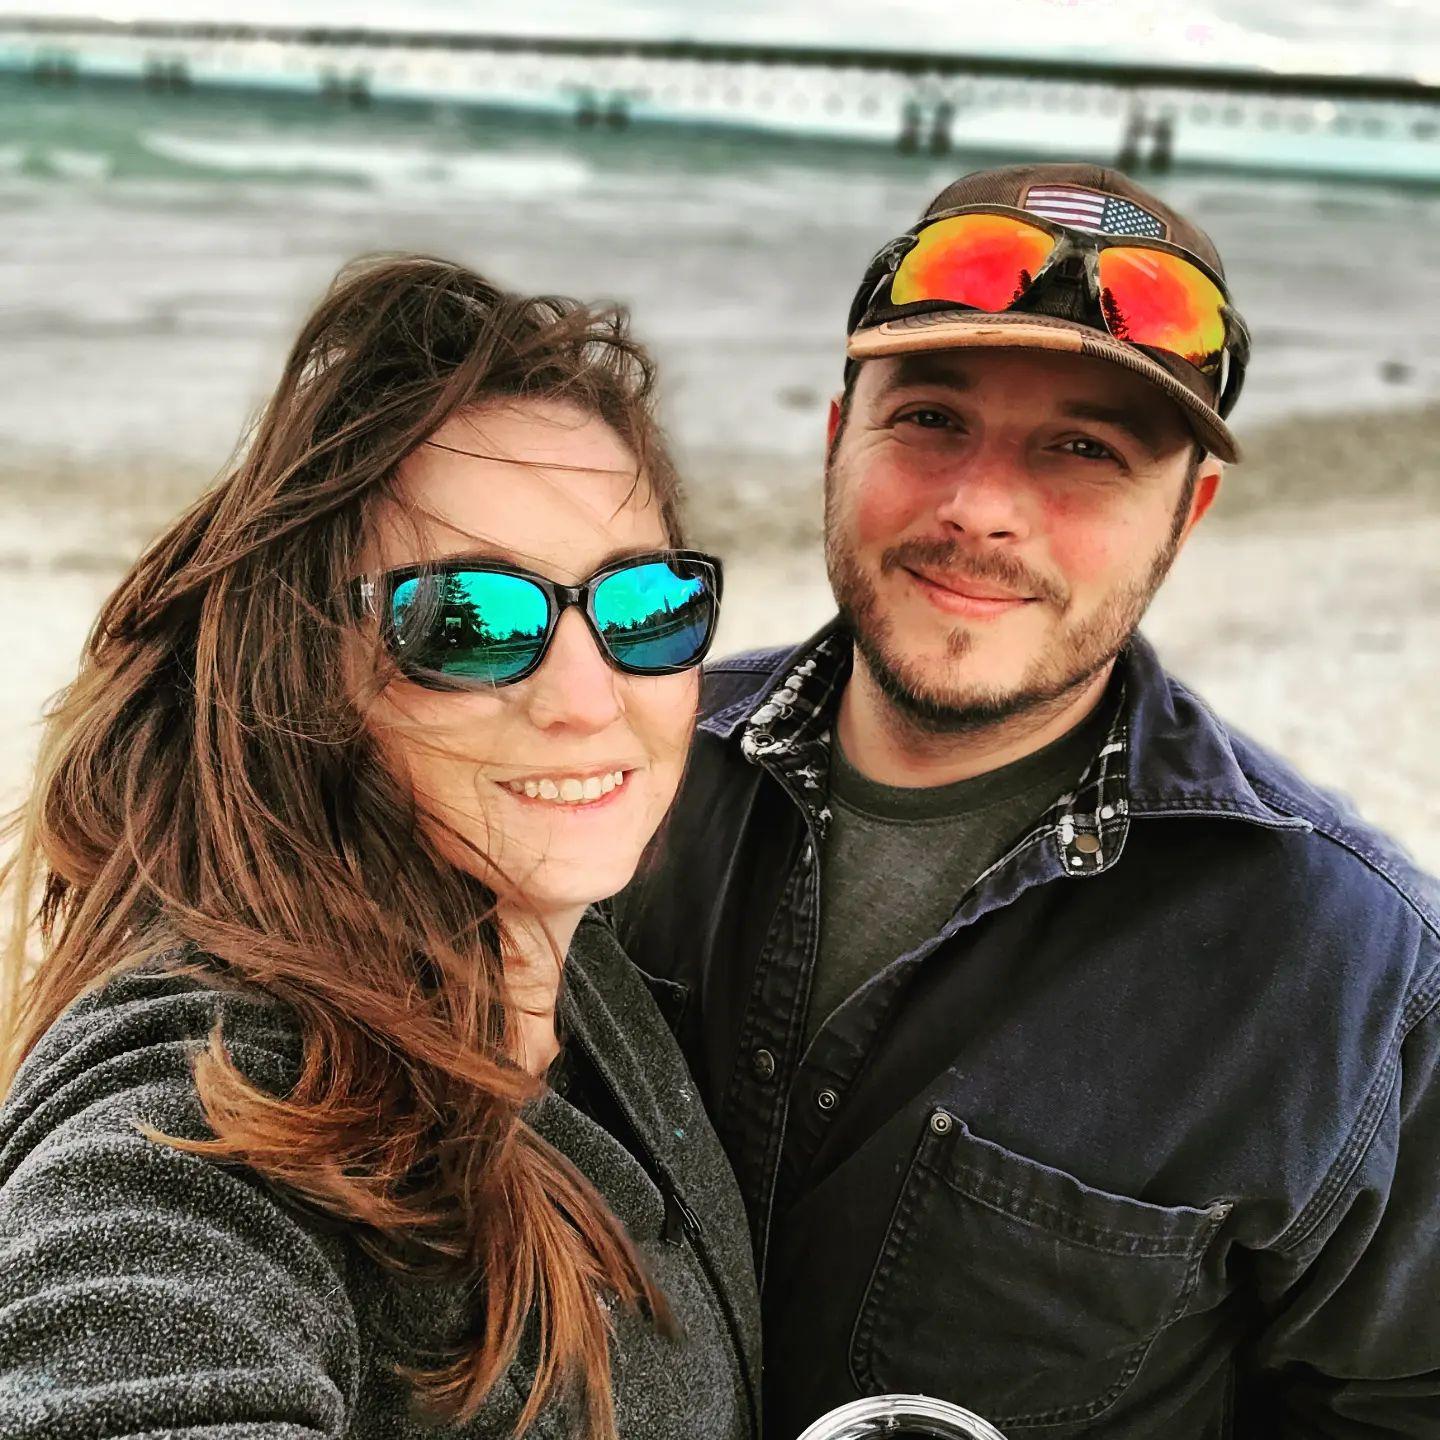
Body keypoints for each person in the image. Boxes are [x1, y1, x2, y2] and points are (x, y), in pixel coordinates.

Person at [614, 162, 1440, 1437]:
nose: (982, 509)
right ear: (837, 440)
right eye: (931, 418)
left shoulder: (1351, 973)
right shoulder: (604, 770)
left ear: (1186, 516)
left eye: (1085, 450)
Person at [0, 257, 760, 1440]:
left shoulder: (557, 948)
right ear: (309, 669)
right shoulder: (227, 1089)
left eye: (641, 608)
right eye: (470, 620)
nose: (587, 699)